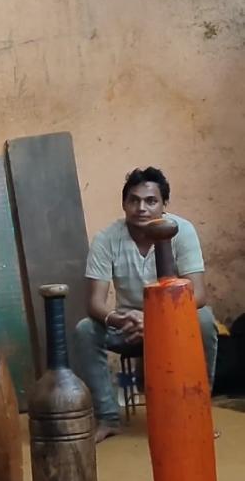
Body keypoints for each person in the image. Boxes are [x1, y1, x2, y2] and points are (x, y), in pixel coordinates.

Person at [75, 167, 217, 443]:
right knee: (85, 330)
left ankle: (198, 413)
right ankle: (108, 417)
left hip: (172, 323)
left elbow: (198, 295)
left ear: (164, 205)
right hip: (127, 325)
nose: (141, 208)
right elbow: (94, 303)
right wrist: (122, 319)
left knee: (205, 321)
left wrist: (153, 320)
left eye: (151, 201)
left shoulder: (181, 231)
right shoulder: (107, 239)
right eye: (134, 200)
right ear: (124, 204)